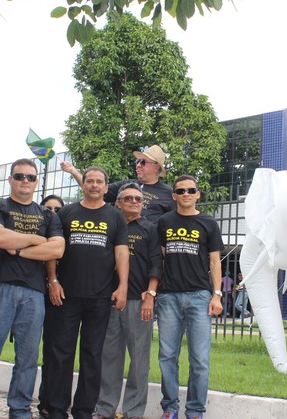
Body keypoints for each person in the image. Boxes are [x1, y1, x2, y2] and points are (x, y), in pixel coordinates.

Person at [0, 159, 65, 419]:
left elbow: (57, 249)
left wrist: (18, 247)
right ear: (10, 179)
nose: (25, 181)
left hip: (34, 293)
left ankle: (20, 410)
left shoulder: (47, 215)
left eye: (30, 177)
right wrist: (36, 240)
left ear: (37, 182)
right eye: (20, 176)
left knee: (27, 359)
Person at [46, 166, 129, 419]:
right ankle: (57, 409)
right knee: (62, 353)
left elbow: (121, 252)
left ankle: (84, 410)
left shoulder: (116, 216)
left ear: (106, 187)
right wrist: (53, 280)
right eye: (90, 181)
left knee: (92, 355)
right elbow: (53, 248)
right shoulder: (66, 213)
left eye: (99, 182)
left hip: (100, 298)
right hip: (66, 295)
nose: (94, 185)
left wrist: (123, 286)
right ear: (83, 185)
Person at [156, 174, 224, 419]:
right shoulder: (164, 222)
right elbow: (160, 256)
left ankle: (195, 411)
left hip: (199, 297)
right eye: (181, 191)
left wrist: (216, 295)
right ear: (174, 195)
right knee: (167, 356)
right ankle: (170, 408)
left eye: (190, 190)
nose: (186, 194)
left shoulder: (208, 223)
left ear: (198, 194)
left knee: (200, 360)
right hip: (169, 298)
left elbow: (215, 261)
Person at [93, 183, 162, 419]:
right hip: (108, 301)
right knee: (109, 358)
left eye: (138, 199)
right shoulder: (110, 225)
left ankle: (133, 412)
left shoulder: (150, 229)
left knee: (139, 362)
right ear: (118, 202)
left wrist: (150, 296)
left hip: (138, 302)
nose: (134, 202)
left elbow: (156, 264)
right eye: (128, 198)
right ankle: (105, 408)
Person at [61, 145, 173, 224]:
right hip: (119, 239)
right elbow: (96, 189)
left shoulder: (169, 193)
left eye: (143, 162)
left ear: (156, 166)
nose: (138, 165)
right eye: (138, 161)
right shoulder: (126, 184)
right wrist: (73, 171)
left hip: (146, 247)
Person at [36, 194, 65, 419]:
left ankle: (51, 403)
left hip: (58, 298)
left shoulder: (63, 235)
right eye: (48, 208)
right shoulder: (35, 230)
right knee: (43, 353)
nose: (52, 212)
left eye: (57, 209)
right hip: (36, 293)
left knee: (55, 352)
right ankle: (44, 400)